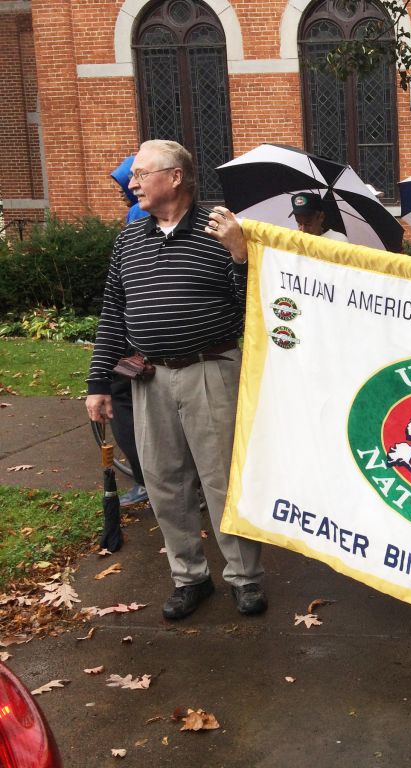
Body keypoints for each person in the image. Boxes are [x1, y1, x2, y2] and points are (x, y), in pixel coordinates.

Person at [86, 140, 267, 620]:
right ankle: (190, 578)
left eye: (142, 173)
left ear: (175, 177)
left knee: (223, 481)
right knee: (164, 482)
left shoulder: (222, 229)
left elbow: (256, 308)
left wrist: (241, 257)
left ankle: (244, 578)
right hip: (149, 379)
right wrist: (99, 383)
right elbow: (113, 313)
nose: (133, 182)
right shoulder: (130, 239)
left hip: (211, 371)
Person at [107, 155, 150, 507]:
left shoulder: (137, 217)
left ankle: (143, 477)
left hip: (133, 333)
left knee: (122, 398)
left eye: (134, 180)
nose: (128, 190)